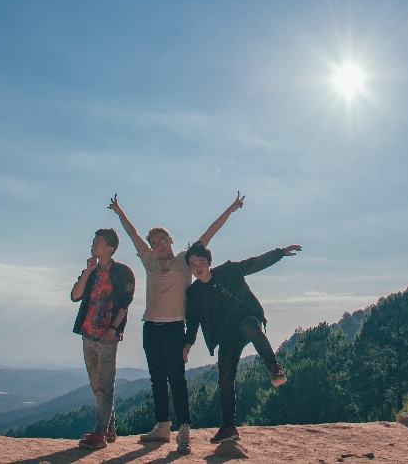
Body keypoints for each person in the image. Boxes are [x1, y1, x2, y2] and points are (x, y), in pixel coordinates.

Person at [108, 192, 244, 454]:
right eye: (153, 242)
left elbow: (209, 233)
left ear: (170, 240)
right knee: (157, 379)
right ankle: (162, 426)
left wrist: (232, 208)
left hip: (174, 328)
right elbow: (133, 233)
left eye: (161, 241)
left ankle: (184, 431)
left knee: (177, 380)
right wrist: (118, 210)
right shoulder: (148, 260)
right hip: (150, 326)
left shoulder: (185, 260)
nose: (157, 245)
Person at [183, 240, 301, 444]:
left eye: (201, 262)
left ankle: (274, 367)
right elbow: (192, 322)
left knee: (250, 327)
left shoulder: (228, 271)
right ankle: (229, 427)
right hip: (226, 336)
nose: (197, 268)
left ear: (209, 262)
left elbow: (254, 263)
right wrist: (188, 344)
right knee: (225, 378)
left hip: (247, 318)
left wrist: (280, 252)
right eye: (193, 265)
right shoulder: (193, 293)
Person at [70, 228, 136, 450]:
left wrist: (114, 330)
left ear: (110, 248)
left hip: (108, 336)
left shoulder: (123, 273)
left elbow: (125, 303)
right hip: (88, 333)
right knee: (97, 384)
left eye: (98, 242)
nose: (93, 244)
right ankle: (110, 428)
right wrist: (88, 272)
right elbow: (75, 296)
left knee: (106, 385)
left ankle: (99, 434)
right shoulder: (92, 272)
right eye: (94, 241)